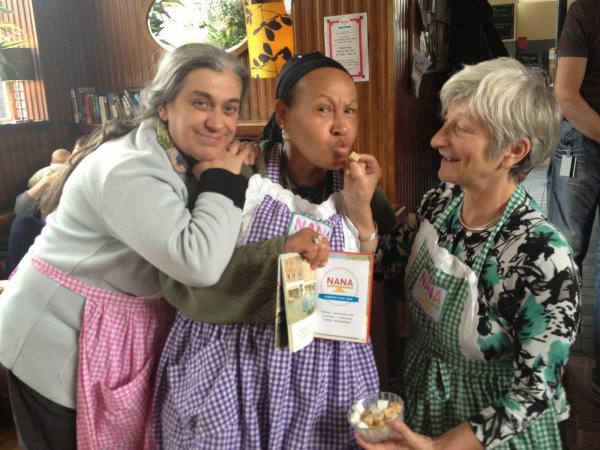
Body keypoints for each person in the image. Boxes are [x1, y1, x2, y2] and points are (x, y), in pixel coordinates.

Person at [0, 43, 253, 450]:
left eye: (230, 108)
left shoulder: (175, 155)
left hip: (105, 328)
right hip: (53, 337)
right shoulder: (130, 169)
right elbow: (200, 264)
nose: (217, 121)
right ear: (165, 105)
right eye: (201, 102)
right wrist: (224, 181)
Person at [152, 51, 397, 449]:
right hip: (237, 365)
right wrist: (279, 253)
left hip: (327, 372)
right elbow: (186, 278)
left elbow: (377, 276)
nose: (341, 127)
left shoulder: (361, 188)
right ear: (283, 115)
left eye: (350, 111)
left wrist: (362, 214)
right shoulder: (237, 172)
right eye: (323, 109)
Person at [354, 58, 580, 450]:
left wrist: (440, 446)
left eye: (459, 128)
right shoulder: (441, 201)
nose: (436, 139)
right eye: (445, 123)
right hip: (421, 392)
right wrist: (362, 208)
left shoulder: (543, 257)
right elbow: (388, 268)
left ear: (514, 150)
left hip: (487, 429)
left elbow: (535, 391)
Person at [546, 0, 600, 405]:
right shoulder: (588, 9)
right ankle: (548, 359)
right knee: (564, 252)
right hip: (582, 137)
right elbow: (565, 95)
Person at [6, 148, 73, 275]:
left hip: (68, 227)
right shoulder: (46, 178)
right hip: (45, 225)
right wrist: (45, 182)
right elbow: (20, 210)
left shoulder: (79, 179)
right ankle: (14, 278)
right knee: (21, 221)